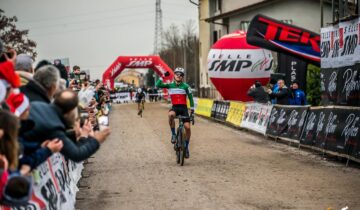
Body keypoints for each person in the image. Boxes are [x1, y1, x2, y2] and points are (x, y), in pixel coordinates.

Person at [21, 90, 111, 162]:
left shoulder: (39, 104)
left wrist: (80, 135)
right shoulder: (53, 127)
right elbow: (77, 155)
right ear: (71, 111)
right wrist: (96, 140)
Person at [156, 67, 194, 158]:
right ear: (174, 75)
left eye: (181, 75)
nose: (179, 76)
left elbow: (191, 98)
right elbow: (158, 85)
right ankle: (173, 135)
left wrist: (192, 111)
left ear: (182, 77)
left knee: (187, 127)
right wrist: (163, 76)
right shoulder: (170, 85)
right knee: (170, 115)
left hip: (184, 108)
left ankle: (186, 147)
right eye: (177, 74)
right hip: (175, 108)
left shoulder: (186, 86)